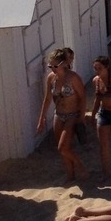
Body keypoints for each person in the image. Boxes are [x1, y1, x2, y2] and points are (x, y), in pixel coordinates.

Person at [36, 47, 87, 181]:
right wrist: (41, 119)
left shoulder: (73, 78)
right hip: (58, 115)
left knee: (62, 148)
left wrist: (81, 117)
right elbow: (47, 99)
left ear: (64, 64)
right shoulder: (51, 78)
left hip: (72, 115)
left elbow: (82, 98)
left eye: (55, 66)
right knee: (64, 149)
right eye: (50, 66)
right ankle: (71, 175)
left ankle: (80, 165)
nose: (53, 69)